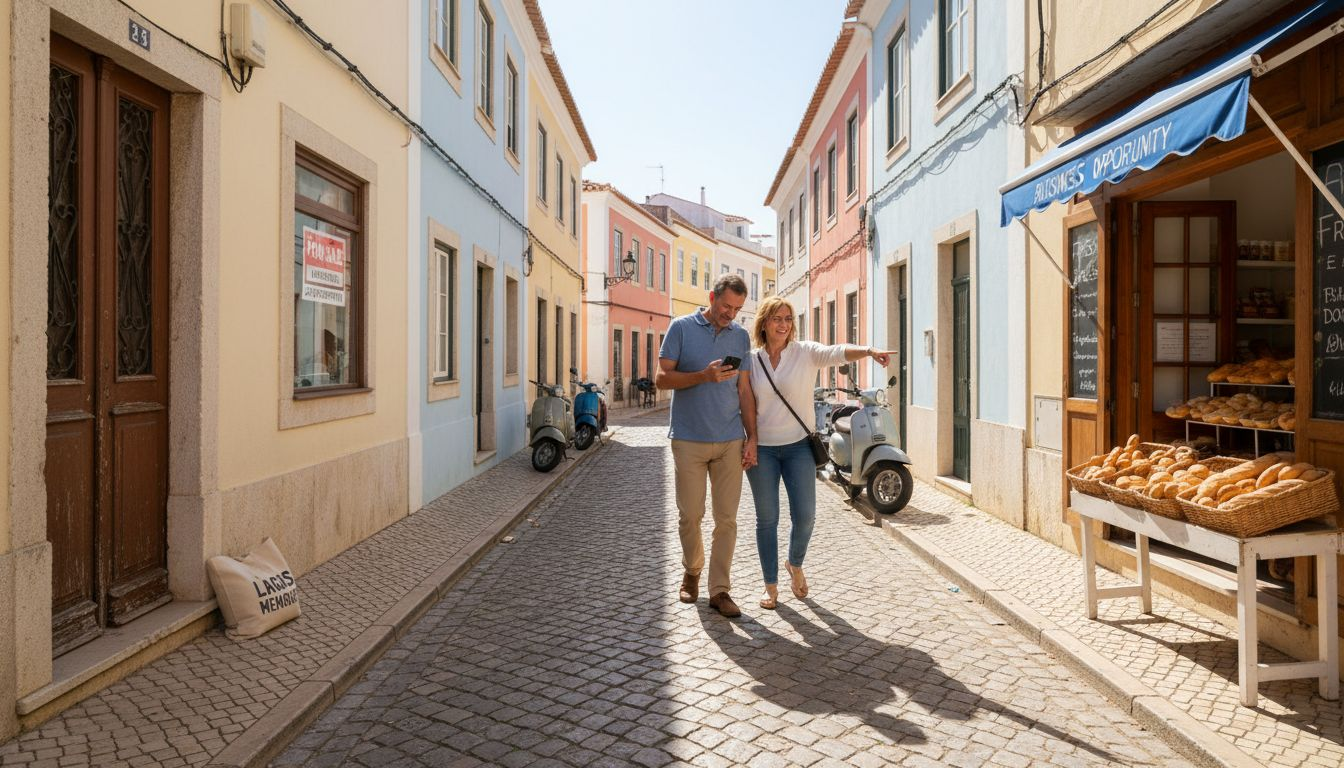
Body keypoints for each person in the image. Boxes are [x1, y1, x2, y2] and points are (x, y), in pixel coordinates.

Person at [746, 296, 892, 609]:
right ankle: (770, 586)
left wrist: (867, 351)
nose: (783, 324)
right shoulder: (752, 360)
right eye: (776, 318)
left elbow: (836, 352)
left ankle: (794, 563)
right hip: (763, 450)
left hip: (799, 446)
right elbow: (744, 403)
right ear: (764, 323)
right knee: (766, 519)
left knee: (806, 517)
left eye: (787, 318)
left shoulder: (804, 352)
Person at [656, 274, 757, 618]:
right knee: (690, 515)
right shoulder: (681, 328)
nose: (731, 313)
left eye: (737, 309)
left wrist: (751, 438)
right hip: (688, 439)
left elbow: (744, 391)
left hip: (730, 439)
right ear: (712, 297)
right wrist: (703, 375)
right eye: (727, 305)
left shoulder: (741, 336)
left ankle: (720, 590)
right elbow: (662, 378)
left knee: (727, 519)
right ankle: (692, 570)